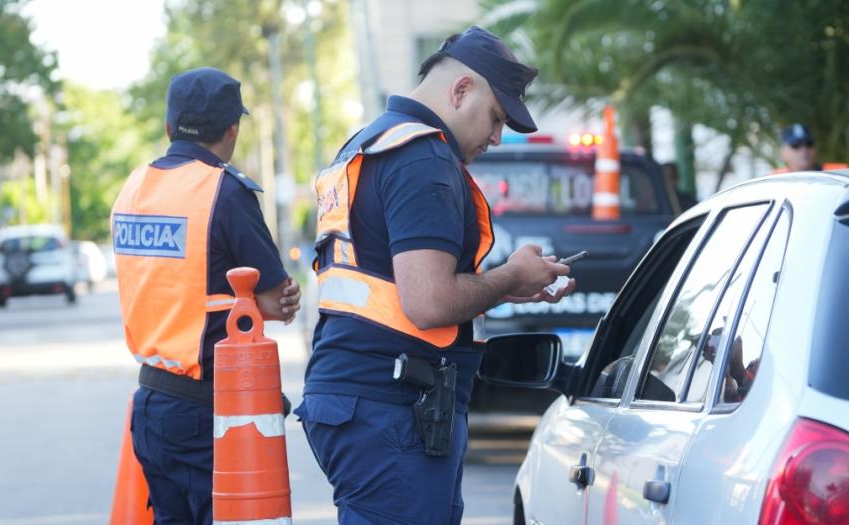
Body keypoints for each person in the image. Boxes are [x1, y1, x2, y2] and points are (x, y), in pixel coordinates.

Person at [296, 26, 576, 524]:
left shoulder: (371, 142)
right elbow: (428, 301)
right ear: (462, 89)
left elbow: (393, 287)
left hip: (363, 400)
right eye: (496, 117)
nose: (496, 136)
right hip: (390, 408)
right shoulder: (423, 157)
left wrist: (511, 283)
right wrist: (510, 278)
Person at [111, 67, 301, 524]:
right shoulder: (225, 190)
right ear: (232, 130)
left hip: (151, 403)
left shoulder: (134, 187)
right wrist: (282, 299)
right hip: (210, 412)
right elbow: (275, 302)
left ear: (168, 127)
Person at [771, 123, 848, 174]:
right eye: (796, 145)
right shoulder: (773, 180)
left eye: (809, 143)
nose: (804, 150)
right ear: (783, 152)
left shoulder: (841, 172)